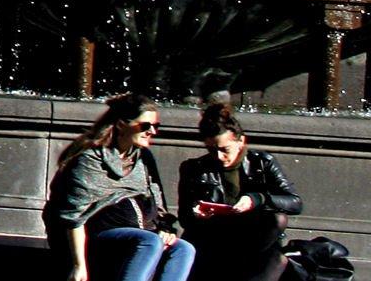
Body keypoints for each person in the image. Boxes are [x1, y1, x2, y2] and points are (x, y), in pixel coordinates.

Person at [45, 93, 196, 281]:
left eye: (156, 126)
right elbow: (73, 217)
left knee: (183, 248)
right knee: (149, 242)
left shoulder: (143, 158)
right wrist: (78, 265)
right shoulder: (90, 159)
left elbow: (157, 199)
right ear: (121, 125)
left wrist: (166, 229)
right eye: (145, 126)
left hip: (139, 231)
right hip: (96, 236)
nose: (153, 132)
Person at [177, 99, 301, 281]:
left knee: (277, 226)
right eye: (211, 150)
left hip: (255, 242)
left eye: (224, 149)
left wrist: (257, 199)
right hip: (215, 239)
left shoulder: (262, 162)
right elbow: (184, 218)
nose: (219, 156)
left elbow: (295, 202)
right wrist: (196, 212)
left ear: (241, 141)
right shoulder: (194, 168)